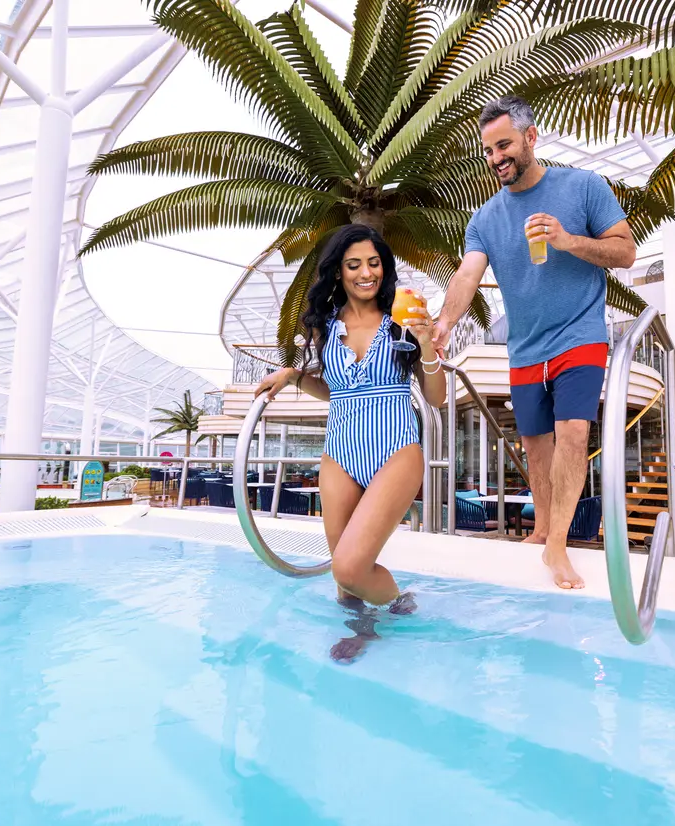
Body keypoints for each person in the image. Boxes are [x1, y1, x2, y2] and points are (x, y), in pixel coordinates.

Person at [432, 95, 637, 590]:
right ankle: (543, 527)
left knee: (573, 433)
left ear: (530, 137)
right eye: (488, 150)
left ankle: (557, 545)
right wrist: (445, 322)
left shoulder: (583, 187)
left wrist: (568, 240)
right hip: (525, 349)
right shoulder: (485, 219)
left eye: (503, 145)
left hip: (579, 335)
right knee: (535, 446)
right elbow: (467, 274)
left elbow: (626, 251)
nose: (495, 158)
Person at [255, 224, 447, 661]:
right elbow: (337, 390)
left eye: (374, 263)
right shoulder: (326, 326)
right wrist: (292, 375)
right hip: (340, 453)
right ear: (338, 272)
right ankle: (364, 628)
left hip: (396, 449)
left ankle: (399, 603)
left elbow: (435, 398)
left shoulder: (402, 320)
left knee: (350, 566)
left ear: (384, 267)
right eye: (354, 264)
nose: (366, 273)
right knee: (343, 581)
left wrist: (426, 345)